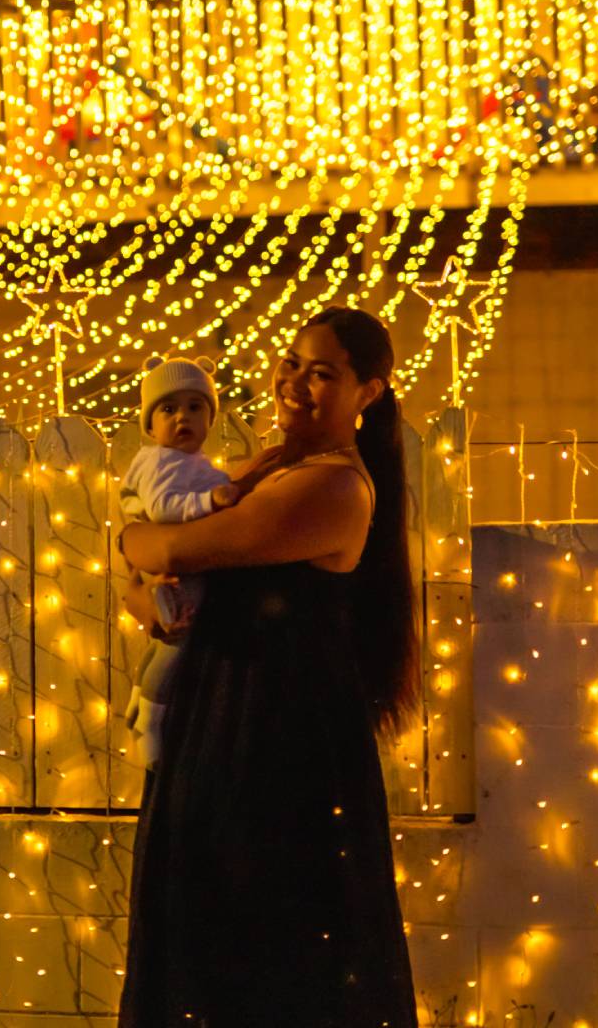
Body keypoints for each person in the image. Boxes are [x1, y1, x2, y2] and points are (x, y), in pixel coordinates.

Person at [116, 307, 420, 1027]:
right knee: (204, 939)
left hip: (283, 751)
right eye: (291, 363)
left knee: (272, 952)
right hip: (217, 727)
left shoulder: (333, 487)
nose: (295, 383)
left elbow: (170, 553)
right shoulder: (264, 470)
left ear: (368, 393)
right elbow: (150, 589)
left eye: (324, 374)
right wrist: (148, 597)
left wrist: (132, 534)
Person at [117, 355, 243, 769]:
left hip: (181, 567)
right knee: (177, 645)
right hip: (180, 574)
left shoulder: (189, 463)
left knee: (163, 642)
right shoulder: (162, 461)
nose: (182, 417)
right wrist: (211, 500)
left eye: (195, 406)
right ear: (150, 425)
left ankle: (139, 700)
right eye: (168, 409)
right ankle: (152, 720)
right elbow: (164, 508)